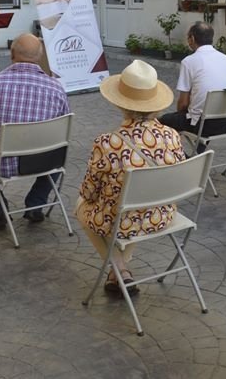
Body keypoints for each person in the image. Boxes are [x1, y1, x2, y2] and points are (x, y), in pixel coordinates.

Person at [76, 60, 186, 294]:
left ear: (121, 104)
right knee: (132, 201)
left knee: (83, 206)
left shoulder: (108, 142)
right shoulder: (173, 136)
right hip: (162, 213)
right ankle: (119, 271)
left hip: (126, 220)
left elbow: (88, 193)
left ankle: (119, 270)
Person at [0, 33, 70, 230]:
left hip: (1, 163)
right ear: (40, 55)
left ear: (12, 53)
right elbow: (63, 126)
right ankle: (36, 203)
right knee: (58, 150)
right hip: (44, 160)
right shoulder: (57, 88)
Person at [158, 22, 226, 137]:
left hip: (202, 126)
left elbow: (183, 103)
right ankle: (198, 153)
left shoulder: (189, 61)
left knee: (162, 120)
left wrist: (179, 116)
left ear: (192, 39)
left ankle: (174, 152)